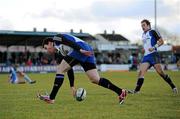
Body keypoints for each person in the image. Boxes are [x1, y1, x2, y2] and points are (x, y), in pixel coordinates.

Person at [38, 33, 127, 104]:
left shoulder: (56, 38)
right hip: (88, 49)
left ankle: (51, 98)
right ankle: (120, 91)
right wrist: (72, 86)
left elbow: (69, 42)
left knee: (60, 70)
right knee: (95, 79)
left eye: (46, 48)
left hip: (81, 49)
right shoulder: (61, 51)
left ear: (49, 43)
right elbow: (69, 68)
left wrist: (80, 50)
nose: (47, 50)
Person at [128, 19, 178, 94]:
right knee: (141, 72)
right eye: (141, 26)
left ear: (148, 25)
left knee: (160, 72)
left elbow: (161, 41)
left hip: (154, 55)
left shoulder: (153, 31)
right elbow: (146, 45)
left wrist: (154, 47)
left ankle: (173, 86)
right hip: (146, 56)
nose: (142, 27)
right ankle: (136, 91)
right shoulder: (143, 34)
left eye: (144, 25)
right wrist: (143, 50)